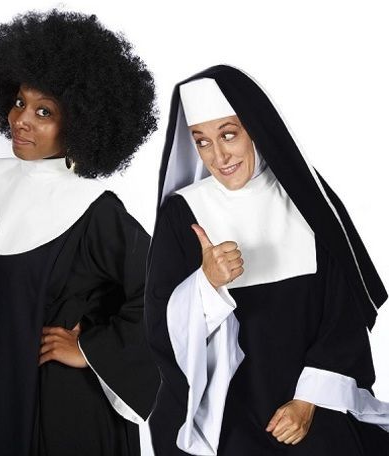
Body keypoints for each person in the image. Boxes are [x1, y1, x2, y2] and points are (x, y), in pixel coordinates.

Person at [145, 65, 389, 455]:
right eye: (202, 141)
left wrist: (307, 401)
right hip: (225, 414)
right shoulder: (183, 213)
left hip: (313, 403)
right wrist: (206, 285)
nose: (218, 156)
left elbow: (343, 315)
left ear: (255, 129)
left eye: (228, 135)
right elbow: (160, 328)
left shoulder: (307, 201)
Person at [0, 10, 160, 456]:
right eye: (19, 102)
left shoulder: (94, 208)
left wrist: (91, 349)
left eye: (44, 111)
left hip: (64, 407)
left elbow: (162, 289)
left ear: (81, 124)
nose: (21, 119)